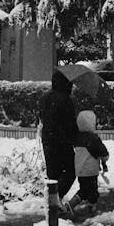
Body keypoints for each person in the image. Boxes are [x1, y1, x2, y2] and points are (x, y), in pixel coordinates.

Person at [40, 70, 78, 204]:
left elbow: (42, 117)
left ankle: (52, 207)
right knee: (72, 170)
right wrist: (77, 139)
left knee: (53, 175)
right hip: (62, 141)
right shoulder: (65, 99)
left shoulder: (45, 97)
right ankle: (55, 200)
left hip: (47, 140)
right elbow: (70, 124)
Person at [64, 110, 109, 216]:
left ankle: (87, 207)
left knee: (85, 189)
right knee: (90, 191)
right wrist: (105, 159)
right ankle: (77, 206)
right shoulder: (93, 138)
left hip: (80, 170)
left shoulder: (77, 137)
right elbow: (102, 151)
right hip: (90, 170)